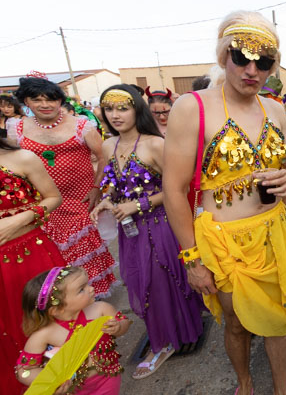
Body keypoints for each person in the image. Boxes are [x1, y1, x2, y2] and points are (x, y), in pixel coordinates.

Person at [163, 11, 286, 395]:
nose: (252, 70)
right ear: (224, 55)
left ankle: (281, 390)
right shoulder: (192, 107)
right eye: (241, 57)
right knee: (236, 323)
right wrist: (192, 259)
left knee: (279, 320)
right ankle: (245, 382)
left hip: (275, 233)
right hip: (224, 243)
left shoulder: (275, 109)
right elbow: (173, 189)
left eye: (264, 62)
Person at [90, 85, 204, 379]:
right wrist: (108, 199)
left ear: (137, 109)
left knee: (159, 285)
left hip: (161, 226)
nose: (115, 115)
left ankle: (163, 343)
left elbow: (179, 188)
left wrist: (138, 205)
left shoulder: (155, 144)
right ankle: (169, 334)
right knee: (139, 282)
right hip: (130, 230)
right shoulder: (108, 145)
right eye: (109, 109)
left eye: (123, 108)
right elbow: (115, 181)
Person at [9, 77, 117, 297]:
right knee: (53, 252)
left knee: (85, 248)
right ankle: (60, 299)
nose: (45, 105)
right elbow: (12, 164)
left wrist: (97, 187)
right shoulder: (16, 128)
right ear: (26, 102)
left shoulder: (81, 125)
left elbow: (103, 156)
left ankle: (91, 296)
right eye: (37, 100)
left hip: (81, 199)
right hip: (43, 204)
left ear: (60, 101)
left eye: (50, 99)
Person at [0, 138, 64, 395]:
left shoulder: (22, 158)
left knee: (47, 319)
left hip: (30, 255)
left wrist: (19, 220)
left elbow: (54, 197)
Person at [16, 266, 131, 394]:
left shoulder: (101, 309)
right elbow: (24, 370)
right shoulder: (43, 335)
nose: (91, 288)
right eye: (81, 289)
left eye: (87, 284)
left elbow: (124, 321)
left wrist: (119, 327)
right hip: (71, 390)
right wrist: (51, 383)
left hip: (107, 379)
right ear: (57, 309)